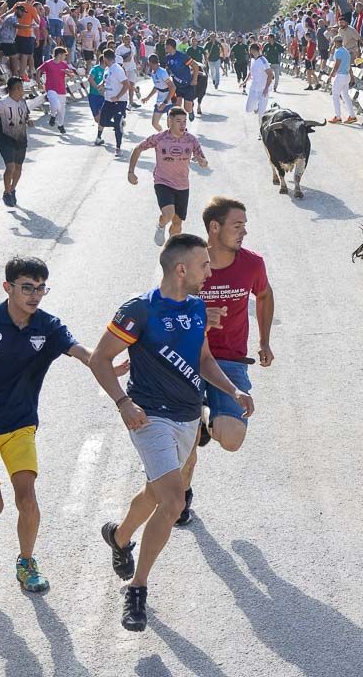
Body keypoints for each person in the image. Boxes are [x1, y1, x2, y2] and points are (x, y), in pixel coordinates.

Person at [89, 234, 254, 632]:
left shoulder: (197, 308)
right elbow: (100, 359)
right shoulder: (140, 310)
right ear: (182, 269)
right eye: (204, 266)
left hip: (186, 416)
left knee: (155, 493)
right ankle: (137, 589)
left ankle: (120, 535)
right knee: (174, 501)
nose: (209, 272)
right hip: (150, 418)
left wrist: (232, 391)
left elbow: (203, 359)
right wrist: (124, 403)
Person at [0, 257, 127, 591]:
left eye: (41, 288)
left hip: (19, 424)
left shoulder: (47, 326)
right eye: (27, 288)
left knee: (28, 497)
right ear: (8, 288)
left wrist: (103, 364)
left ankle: (26, 563)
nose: (35, 295)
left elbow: (82, 352)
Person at [176, 197, 273, 527]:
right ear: (214, 228)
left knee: (231, 439)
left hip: (229, 360)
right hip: (187, 358)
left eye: (244, 225)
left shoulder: (252, 264)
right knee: (186, 439)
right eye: (237, 225)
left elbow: (263, 294)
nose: (244, 231)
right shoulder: (188, 262)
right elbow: (164, 310)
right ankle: (181, 498)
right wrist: (199, 316)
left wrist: (263, 340)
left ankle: (208, 422)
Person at [127, 107, 207, 244]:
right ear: (170, 121)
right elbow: (138, 148)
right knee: (168, 214)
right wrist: (131, 172)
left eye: (184, 122)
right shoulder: (160, 138)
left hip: (182, 185)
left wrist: (201, 161)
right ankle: (160, 226)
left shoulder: (191, 140)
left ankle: (171, 247)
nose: (182, 125)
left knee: (177, 223)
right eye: (178, 121)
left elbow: (204, 162)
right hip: (163, 182)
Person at [0, 77, 31, 206]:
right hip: (6, 140)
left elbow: (25, 116)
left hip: (21, 139)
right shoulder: (2, 103)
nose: (23, 90)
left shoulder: (23, 102)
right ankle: (7, 193)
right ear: (16, 88)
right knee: (10, 167)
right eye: (21, 87)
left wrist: (28, 120)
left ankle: (12, 189)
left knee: (19, 168)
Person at [97, 49, 132, 156]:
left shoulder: (117, 69)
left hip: (119, 102)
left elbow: (127, 85)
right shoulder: (107, 69)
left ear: (105, 59)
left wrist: (118, 96)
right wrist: (102, 84)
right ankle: (117, 125)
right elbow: (107, 79)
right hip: (108, 100)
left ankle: (118, 147)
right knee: (102, 121)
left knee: (117, 124)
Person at [35, 46, 77, 135]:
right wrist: (38, 83)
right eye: (64, 55)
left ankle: (60, 125)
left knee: (62, 109)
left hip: (61, 89)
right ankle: (53, 116)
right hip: (50, 88)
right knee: (55, 104)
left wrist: (69, 73)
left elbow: (71, 75)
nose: (65, 57)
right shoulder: (48, 63)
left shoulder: (63, 64)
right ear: (59, 55)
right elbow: (38, 70)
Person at [163, 39, 200, 121]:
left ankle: (190, 111)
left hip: (187, 85)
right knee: (177, 106)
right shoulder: (167, 58)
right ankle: (179, 124)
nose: (165, 47)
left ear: (171, 47)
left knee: (187, 108)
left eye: (166, 46)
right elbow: (168, 70)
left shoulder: (182, 56)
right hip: (177, 86)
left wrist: (195, 79)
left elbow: (195, 66)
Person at [141, 54, 176, 132]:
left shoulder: (162, 72)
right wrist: (148, 97)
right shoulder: (153, 72)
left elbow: (172, 87)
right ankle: (163, 136)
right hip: (160, 99)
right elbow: (156, 86)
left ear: (150, 63)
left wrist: (165, 102)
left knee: (170, 124)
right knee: (154, 123)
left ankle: (171, 140)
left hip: (170, 99)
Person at [328, 35, 357, 124]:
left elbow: (337, 64)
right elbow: (349, 65)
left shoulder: (339, 52)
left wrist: (331, 75)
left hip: (340, 75)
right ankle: (352, 116)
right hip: (346, 75)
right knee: (345, 95)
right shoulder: (346, 51)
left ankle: (338, 116)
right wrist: (352, 77)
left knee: (335, 95)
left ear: (336, 42)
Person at [245, 44, 272, 116]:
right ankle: (256, 106)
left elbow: (270, 74)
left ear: (252, 50)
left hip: (262, 90)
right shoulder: (253, 60)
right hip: (253, 89)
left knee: (261, 114)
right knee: (248, 109)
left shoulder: (263, 61)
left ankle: (261, 122)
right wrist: (245, 82)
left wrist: (266, 88)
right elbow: (251, 72)